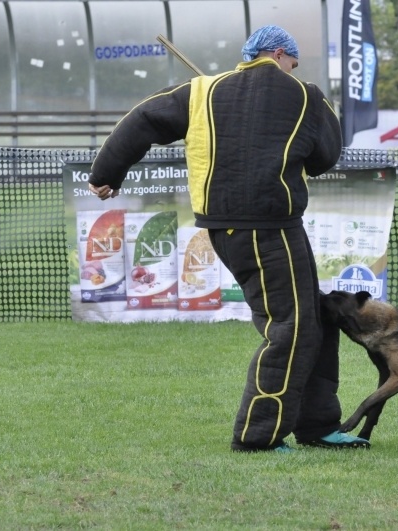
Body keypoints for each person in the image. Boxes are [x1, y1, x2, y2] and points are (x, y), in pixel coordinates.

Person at [88, 25, 370, 453]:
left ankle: (317, 425)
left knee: (316, 315)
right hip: (268, 227)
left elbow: (143, 118)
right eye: (293, 64)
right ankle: (258, 436)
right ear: (279, 54)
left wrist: (105, 173)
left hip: (233, 227)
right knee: (291, 328)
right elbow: (324, 158)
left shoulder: (200, 91)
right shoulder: (308, 96)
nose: (294, 72)